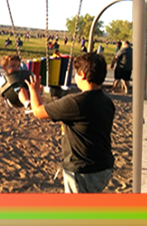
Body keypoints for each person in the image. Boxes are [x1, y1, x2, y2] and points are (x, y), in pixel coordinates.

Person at [25, 53, 115, 193]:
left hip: (82, 170)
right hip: (104, 167)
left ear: (83, 75)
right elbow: (51, 109)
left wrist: (33, 91)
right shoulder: (107, 101)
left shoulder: (75, 102)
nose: (74, 77)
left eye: (75, 74)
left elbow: (38, 112)